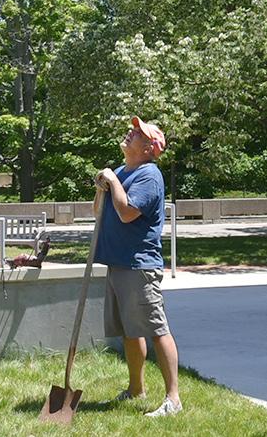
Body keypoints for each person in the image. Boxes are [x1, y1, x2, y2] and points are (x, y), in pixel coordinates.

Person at [95, 116, 182, 418]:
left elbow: (128, 212)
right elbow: (99, 212)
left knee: (156, 329)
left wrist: (114, 181)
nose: (130, 133)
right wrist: (102, 187)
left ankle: (173, 398)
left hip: (139, 265)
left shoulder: (149, 175)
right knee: (129, 332)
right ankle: (136, 388)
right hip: (118, 263)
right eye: (133, 130)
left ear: (149, 148)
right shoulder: (121, 171)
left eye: (138, 133)